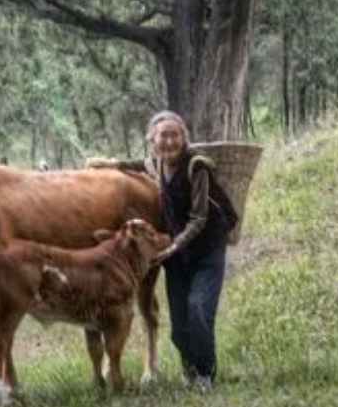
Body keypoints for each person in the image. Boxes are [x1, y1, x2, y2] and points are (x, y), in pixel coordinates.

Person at [87, 111, 236, 390]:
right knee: (179, 326)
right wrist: (111, 164)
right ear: (152, 141)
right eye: (162, 136)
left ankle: (205, 375)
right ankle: (190, 372)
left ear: (184, 138)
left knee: (198, 309)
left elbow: (199, 219)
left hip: (206, 249)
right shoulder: (157, 163)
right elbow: (138, 163)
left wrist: (172, 247)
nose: (169, 141)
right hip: (178, 255)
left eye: (175, 135)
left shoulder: (197, 167)